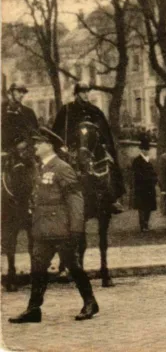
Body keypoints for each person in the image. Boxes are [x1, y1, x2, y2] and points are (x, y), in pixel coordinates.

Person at [9, 127, 99, 323]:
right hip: (42, 229)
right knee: (38, 268)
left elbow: (75, 199)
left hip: (61, 229)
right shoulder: (41, 168)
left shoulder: (62, 168)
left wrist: (76, 228)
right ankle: (34, 309)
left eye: (38, 143)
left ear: (49, 146)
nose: (35, 147)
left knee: (73, 267)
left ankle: (90, 302)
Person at [51, 82, 125, 212]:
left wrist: (104, 144)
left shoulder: (95, 110)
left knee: (110, 162)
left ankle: (112, 198)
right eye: (82, 92)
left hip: (92, 150)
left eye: (87, 92)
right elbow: (56, 131)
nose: (86, 95)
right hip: (72, 149)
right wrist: (61, 146)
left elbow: (104, 131)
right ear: (76, 94)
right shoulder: (67, 110)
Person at [1, 136, 37, 292]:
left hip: (27, 201)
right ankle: (10, 273)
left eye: (25, 150)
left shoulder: (30, 162)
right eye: (21, 150)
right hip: (6, 151)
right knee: (9, 239)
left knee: (34, 240)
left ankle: (36, 273)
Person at [1, 81, 39, 153]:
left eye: (23, 92)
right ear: (10, 93)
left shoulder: (29, 112)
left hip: (26, 153)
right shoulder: (2, 112)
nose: (22, 95)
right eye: (19, 91)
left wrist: (26, 142)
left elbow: (36, 134)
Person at [131, 135, 157, 232]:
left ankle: (146, 223)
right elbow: (137, 175)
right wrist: (148, 179)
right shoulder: (137, 161)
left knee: (149, 207)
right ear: (141, 150)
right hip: (141, 188)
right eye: (144, 149)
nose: (146, 151)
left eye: (147, 149)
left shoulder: (149, 161)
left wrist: (154, 179)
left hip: (150, 187)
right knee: (142, 207)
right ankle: (143, 225)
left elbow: (154, 173)